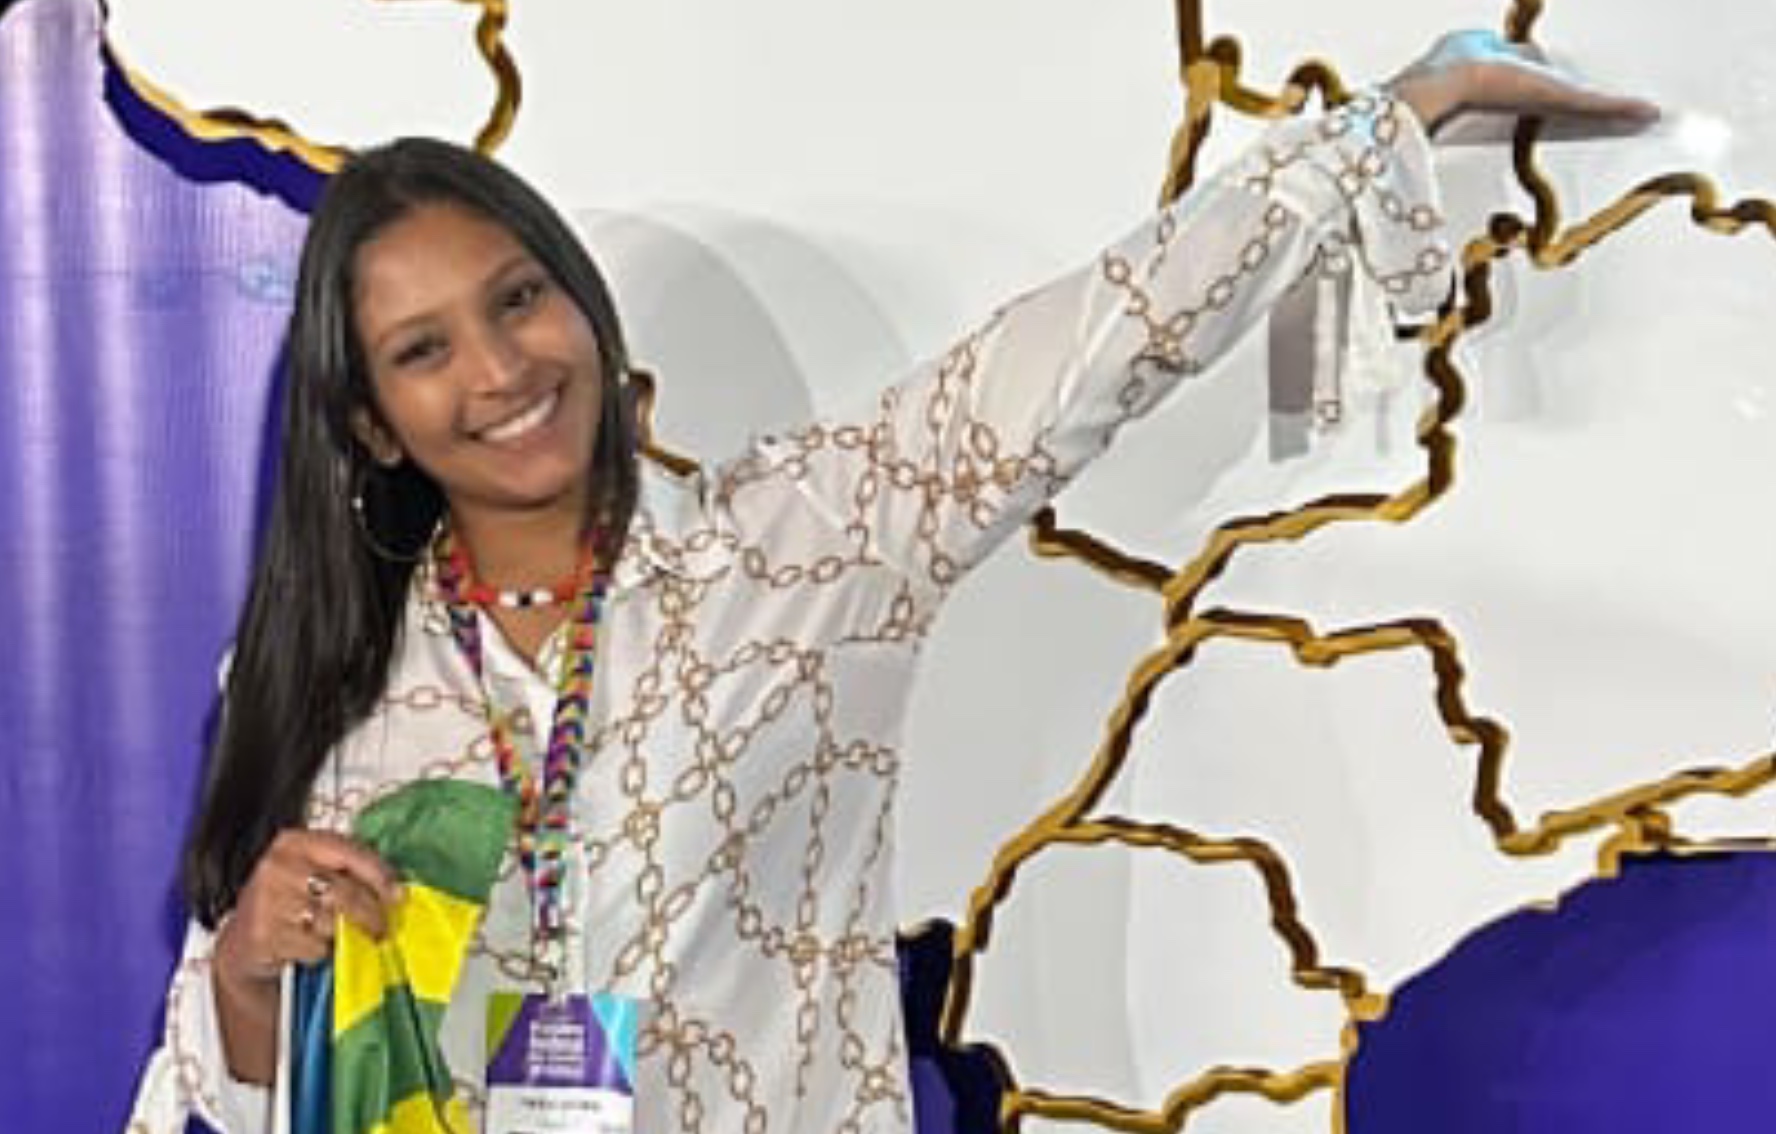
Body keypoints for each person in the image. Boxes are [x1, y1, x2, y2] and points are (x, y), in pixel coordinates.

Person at [126, 30, 1656, 1134]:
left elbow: (1089, 347)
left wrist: (1399, 112)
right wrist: (254, 969)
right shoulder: (321, 671)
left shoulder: (811, 543)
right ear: (369, 421)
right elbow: (235, 1076)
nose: (500, 368)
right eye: (424, 349)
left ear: (580, 303)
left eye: (519, 298)